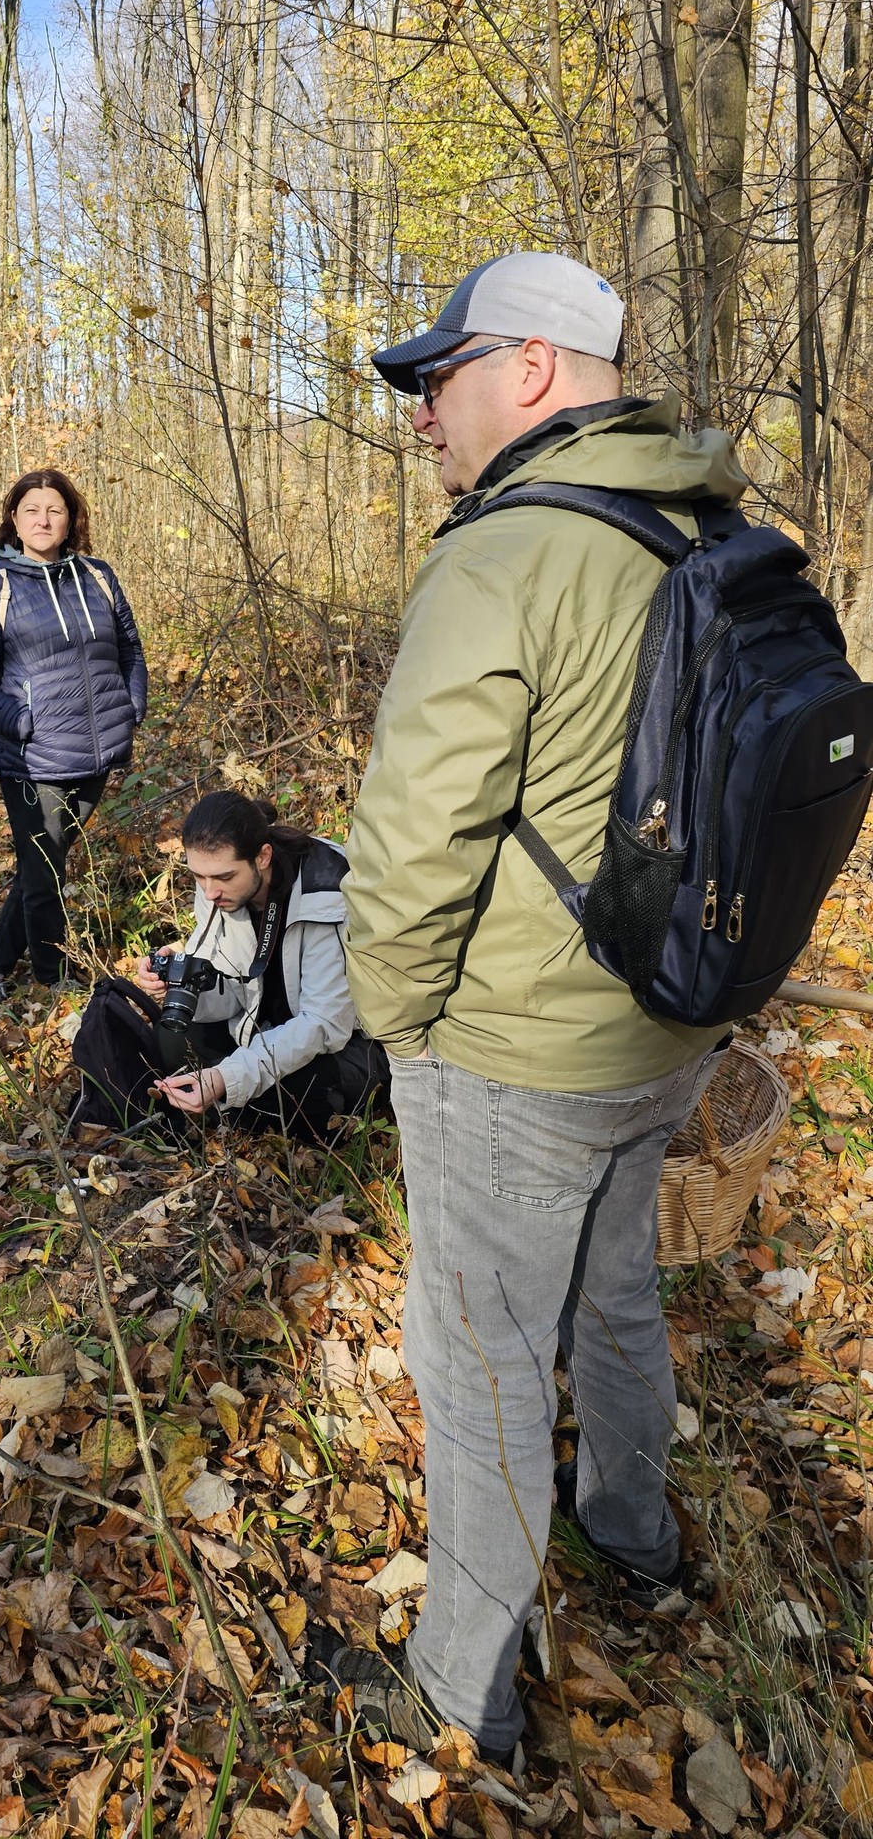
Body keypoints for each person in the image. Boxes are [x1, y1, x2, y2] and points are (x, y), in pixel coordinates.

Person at [339, 252, 737, 1763]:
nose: (423, 413)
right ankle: (633, 1530)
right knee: (617, 1291)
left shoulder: (507, 554)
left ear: (528, 367)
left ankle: (458, 1686)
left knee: (484, 1356)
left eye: (438, 380)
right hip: (664, 1025)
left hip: (513, 1047)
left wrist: (402, 1020)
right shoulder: (701, 519)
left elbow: (418, 831)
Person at [0, 470, 147, 1009]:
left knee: (43, 862)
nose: (43, 519)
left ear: (71, 519)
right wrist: (24, 725)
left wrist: (130, 710)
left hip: (96, 753)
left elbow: (131, 651)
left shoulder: (99, 576)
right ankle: (51, 977)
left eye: (54, 510)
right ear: (13, 520)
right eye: (31, 509)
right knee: (44, 874)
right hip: (31, 761)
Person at [134, 791, 386, 1144]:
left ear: (263, 857)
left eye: (223, 877)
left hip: (349, 1043)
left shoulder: (327, 893)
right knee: (173, 1034)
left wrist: (226, 1078)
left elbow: (324, 1024)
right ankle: (230, 1107)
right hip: (261, 1025)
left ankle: (239, 1109)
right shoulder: (218, 887)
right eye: (198, 877)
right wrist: (185, 985)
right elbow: (231, 993)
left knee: (301, 1091)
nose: (208, 892)